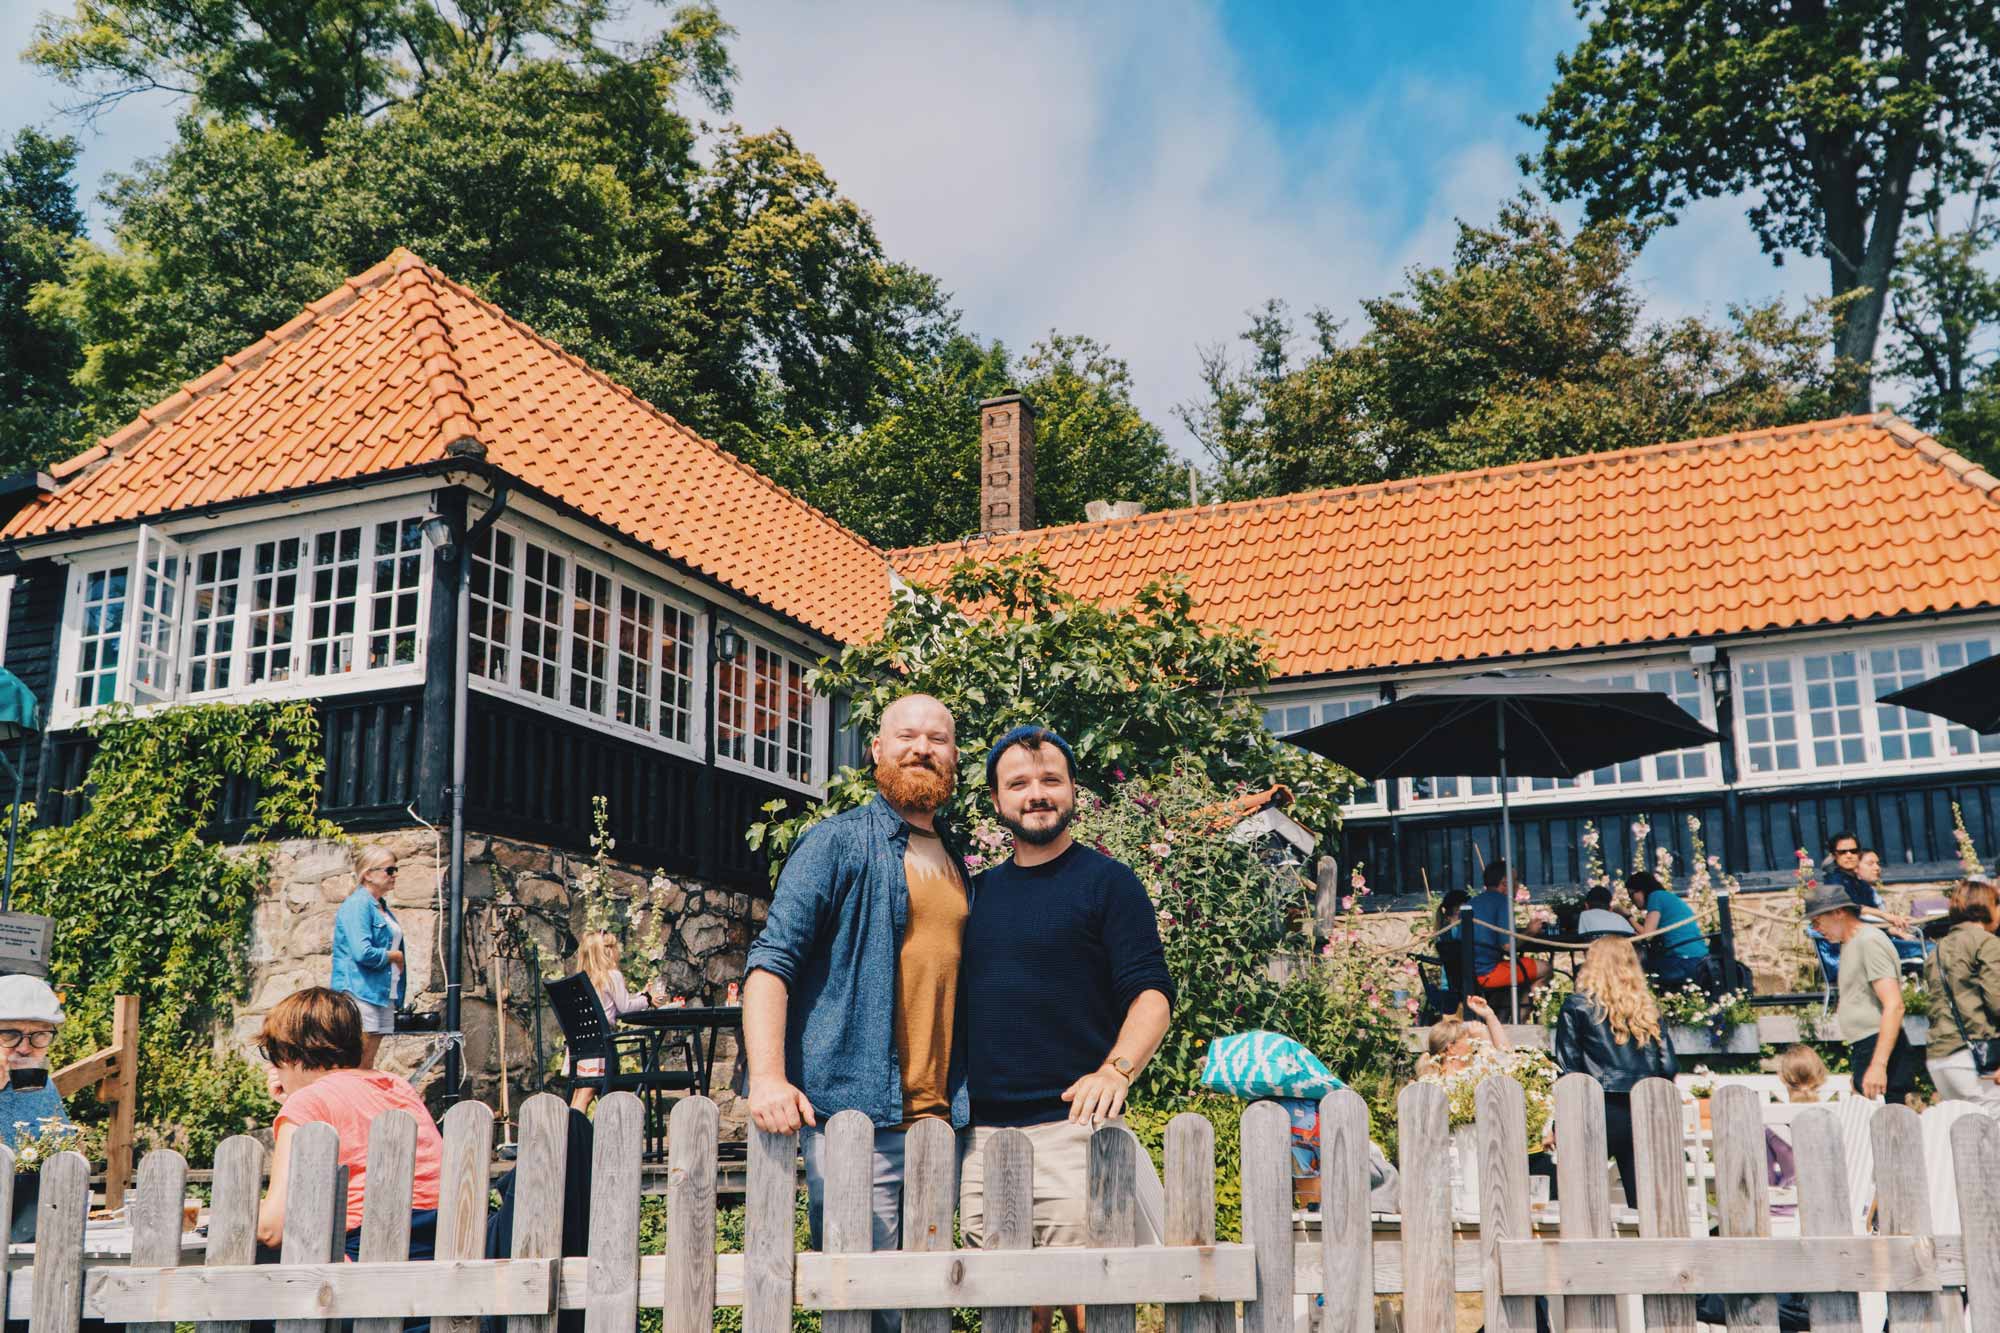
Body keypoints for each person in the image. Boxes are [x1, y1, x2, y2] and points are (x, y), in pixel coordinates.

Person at [742, 693, 971, 1333]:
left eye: (938, 739)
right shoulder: (836, 843)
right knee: (859, 1308)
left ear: (954, 757)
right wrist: (767, 1077)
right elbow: (771, 962)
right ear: (876, 749)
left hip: (938, 1121)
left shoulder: (956, 864)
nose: (922, 748)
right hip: (854, 1120)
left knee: (926, 1308)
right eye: (906, 736)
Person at [959, 725, 1174, 1333]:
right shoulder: (973, 895)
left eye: (1050, 780)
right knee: (1013, 1315)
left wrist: (1118, 1068)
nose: (1036, 793)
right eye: (1019, 783)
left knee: (1090, 1309)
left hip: (1073, 1133)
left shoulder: (1110, 884)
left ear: (1073, 791)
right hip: (982, 1140)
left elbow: (1151, 996)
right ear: (998, 802)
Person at [255, 988, 444, 1262]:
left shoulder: (308, 1103)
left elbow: (272, 1229)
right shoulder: (396, 1087)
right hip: (440, 1252)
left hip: (362, 1262)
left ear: (287, 1054)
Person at [1551, 937, 1678, 1208]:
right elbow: (1668, 1067)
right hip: (1643, 1107)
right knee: (1645, 1202)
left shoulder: (1577, 1006)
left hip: (1597, 1108)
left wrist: (1556, 1122)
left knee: (1582, 1202)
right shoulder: (1647, 1009)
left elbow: (1568, 1069)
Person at [1805, 884, 1919, 1103]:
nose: (1816, 929)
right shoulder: (1851, 944)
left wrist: (1878, 1065)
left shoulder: (1869, 940)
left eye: (1817, 921)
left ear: (1838, 913)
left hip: (1880, 1048)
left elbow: (1894, 1005)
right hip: (1865, 1047)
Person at [1923, 878, 2000, 1108]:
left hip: (1940, 1059)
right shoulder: (1987, 943)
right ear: (1987, 907)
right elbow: (1997, 1001)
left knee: (1965, 1135)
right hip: (1977, 1058)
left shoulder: (1938, 949)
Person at [331, 845, 407, 1067]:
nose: (395, 875)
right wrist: (395, 956)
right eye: (389, 870)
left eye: (395, 869)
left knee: (367, 1062)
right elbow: (362, 952)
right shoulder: (358, 904)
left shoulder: (379, 906)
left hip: (381, 991)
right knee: (355, 1061)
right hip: (360, 990)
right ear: (368, 874)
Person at [569, 931, 658, 1111]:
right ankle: (575, 1136)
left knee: (580, 1094)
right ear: (608, 952)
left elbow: (613, 1006)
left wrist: (641, 996)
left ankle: (568, 1134)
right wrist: (648, 1000)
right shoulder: (612, 976)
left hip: (583, 1049)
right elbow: (624, 1007)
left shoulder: (584, 981)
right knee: (586, 1094)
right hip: (601, 1050)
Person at [1465, 861, 1544, 1000]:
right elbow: (1507, 947)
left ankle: (1503, 1018)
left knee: (1518, 978)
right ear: (1505, 882)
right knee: (1545, 969)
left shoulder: (1472, 902)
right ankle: (1523, 1017)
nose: (1518, 885)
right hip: (1487, 973)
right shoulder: (1502, 902)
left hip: (1467, 974)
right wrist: (1530, 932)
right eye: (1515, 880)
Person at [1624, 871, 1707, 987]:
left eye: (1631, 895)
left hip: (1684, 960)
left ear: (1642, 890)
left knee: (1634, 970)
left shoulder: (1655, 896)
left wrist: (1628, 916)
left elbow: (1646, 936)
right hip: (1699, 959)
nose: (1632, 901)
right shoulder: (1666, 897)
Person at [1417, 995, 1508, 1079]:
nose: (1473, 1044)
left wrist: (1490, 1016)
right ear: (1451, 1048)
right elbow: (1502, 1071)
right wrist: (1484, 1042)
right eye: (1469, 1039)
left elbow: (1506, 1056)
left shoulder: (1437, 1078)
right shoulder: (1456, 1080)